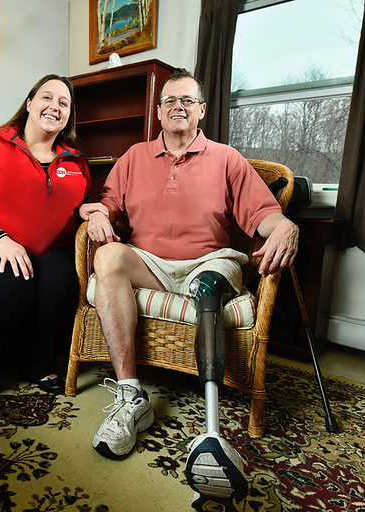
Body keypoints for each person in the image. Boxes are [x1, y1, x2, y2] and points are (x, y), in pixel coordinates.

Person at [78, 69, 298, 504]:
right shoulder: (133, 157)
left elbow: (262, 215)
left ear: (201, 110)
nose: (177, 106)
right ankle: (130, 399)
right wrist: (100, 214)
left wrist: (286, 225)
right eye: (168, 101)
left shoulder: (227, 158)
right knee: (107, 257)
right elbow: (107, 204)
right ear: (158, 112)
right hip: (152, 263)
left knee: (212, 282)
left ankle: (212, 427)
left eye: (187, 100)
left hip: (208, 262)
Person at [0, 74, 90, 409]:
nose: (54, 107)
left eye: (63, 103)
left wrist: (95, 212)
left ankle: (39, 364)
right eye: (46, 97)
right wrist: (0, 239)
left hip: (50, 250)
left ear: (69, 116)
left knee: (62, 279)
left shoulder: (76, 161)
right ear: (29, 104)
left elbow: (83, 206)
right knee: (10, 282)